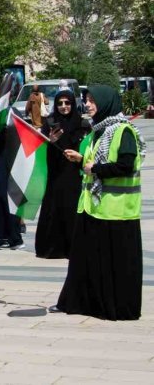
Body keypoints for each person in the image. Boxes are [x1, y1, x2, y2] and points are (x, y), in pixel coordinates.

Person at [54, 85, 145, 320]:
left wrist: (94, 167)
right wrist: (82, 159)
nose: (88, 104)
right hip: (93, 207)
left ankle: (113, 308)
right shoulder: (99, 131)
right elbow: (97, 163)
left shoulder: (123, 131)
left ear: (106, 103)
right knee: (89, 260)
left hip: (117, 211)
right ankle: (86, 303)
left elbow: (125, 165)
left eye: (93, 100)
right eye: (86, 100)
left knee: (115, 265)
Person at [36, 90, 89, 259]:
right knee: (55, 208)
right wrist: (50, 141)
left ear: (73, 104)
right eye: (60, 103)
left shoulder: (83, 124)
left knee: (73, 209)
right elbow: (41, 152)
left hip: (75, 174)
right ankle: (54, 248)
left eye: (67, 103)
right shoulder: (50, 123)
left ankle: (74, 247)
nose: (64, 107)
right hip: (56, 174)